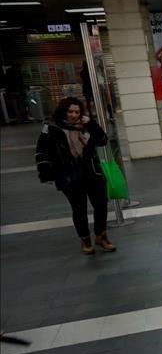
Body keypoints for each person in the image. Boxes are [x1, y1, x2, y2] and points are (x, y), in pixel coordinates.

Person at [34, 96, 116, 254]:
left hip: (91, 171)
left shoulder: (85, 126)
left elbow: (103, 140)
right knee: (79, 209)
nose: (73, 115)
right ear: (63, 112)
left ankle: (101, 236)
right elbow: (41, 150)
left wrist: (91, 124)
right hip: (69, 174)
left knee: (100, 204)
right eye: (70, 111)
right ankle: (85, 240)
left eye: (77, 112)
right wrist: (46, 173)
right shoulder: (52, 128)